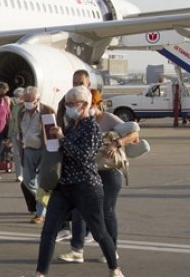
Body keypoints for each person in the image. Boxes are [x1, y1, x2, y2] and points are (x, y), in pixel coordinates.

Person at [34, 86, 123, 277]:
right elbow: (63, 151)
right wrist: (53, 138)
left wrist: (62, 139)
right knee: (48, 231)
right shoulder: (71, 125)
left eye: (72, 104)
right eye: (67, 104)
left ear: (84, 105)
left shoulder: (91, 126)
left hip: (86, 187)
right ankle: (40, 273)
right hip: (64, 186)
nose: (68, 108)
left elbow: (84, 156)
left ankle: (114, 269)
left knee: (99, 232)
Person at [58, 89, 140, 264]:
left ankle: (112, 250)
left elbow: (134, 133)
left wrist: (117, 143)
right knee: (79, 211)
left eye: (91, 105)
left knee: (106, 211)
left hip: (109, 172)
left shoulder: (108, 119)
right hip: (88, 174)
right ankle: (76, 250)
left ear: (94, 105)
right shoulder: (76, 123)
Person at [55, 69, 91, 241]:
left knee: (88, 204)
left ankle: (93, 236)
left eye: (80, 83)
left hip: (88, 162)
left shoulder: (95, 103)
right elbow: (60, 120)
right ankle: (64, 228)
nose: (77, 86)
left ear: (88, 85)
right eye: (74, 83)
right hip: (68, 155)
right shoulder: (65, 101)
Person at [18, 86, 55, 224]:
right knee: (28, 181)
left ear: (37, 99)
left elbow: (53, 134)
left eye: (30, 100)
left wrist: (52, 153)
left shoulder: (47, 111)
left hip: (43, 150)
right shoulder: (21, 112)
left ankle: (41, 213)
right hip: (27, 150)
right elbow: (20, 132)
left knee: (42, 183)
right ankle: (47, 201)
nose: (27, 103)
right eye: (25, 100)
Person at [8, 87, 26, 182]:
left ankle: (25, 173)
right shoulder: (15, 107)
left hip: (23, 134)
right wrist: (9, 135)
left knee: (24, 154)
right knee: (16, 154)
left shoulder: (26, 107)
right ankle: (19, 174)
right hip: (15, 133)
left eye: (18, 96)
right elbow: (12, 121)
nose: (17, 98)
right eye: (16, 96)